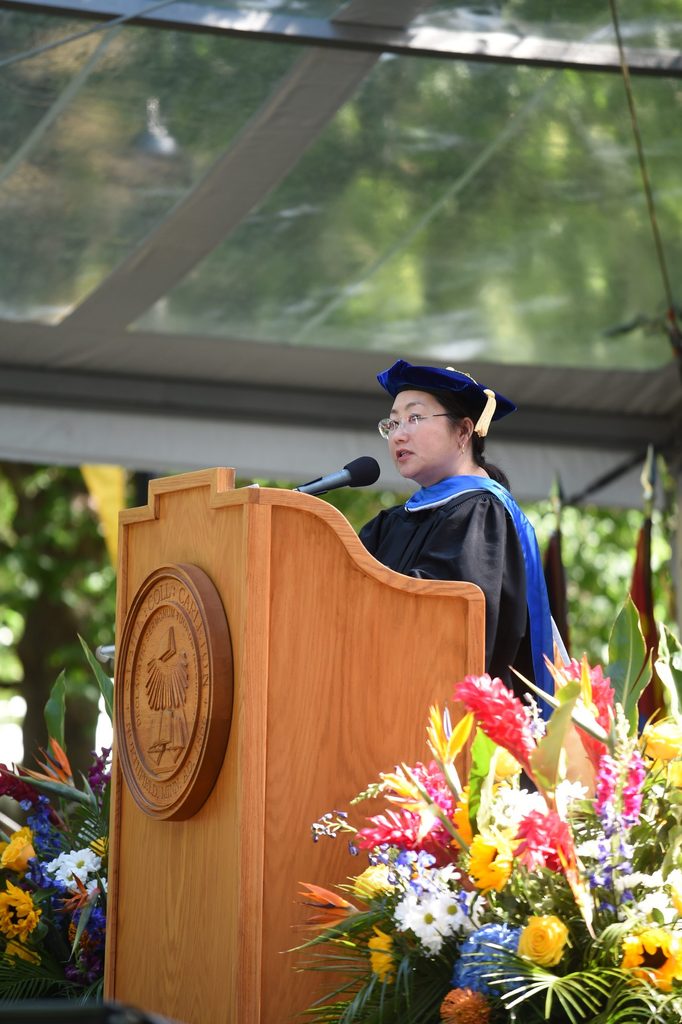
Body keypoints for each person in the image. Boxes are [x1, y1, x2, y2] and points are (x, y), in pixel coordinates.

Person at [359, 359, 555, 706]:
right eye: (393, 422)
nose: (398, 434)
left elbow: (444, 621)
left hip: (457, 725)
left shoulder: (481, 512)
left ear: (464, 432)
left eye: (414, 418)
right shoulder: (390, 524)